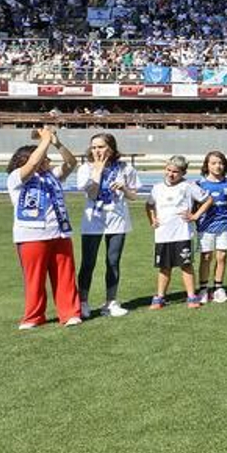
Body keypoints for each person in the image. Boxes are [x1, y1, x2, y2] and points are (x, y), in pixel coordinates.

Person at [7, 125, 81, 329]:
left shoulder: (52, 175)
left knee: (65, 276)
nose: (48, 160)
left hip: (59, 233)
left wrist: (56, 143)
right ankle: (33, 316)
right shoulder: (16, 178)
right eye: (45, 157)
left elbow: (71, 162)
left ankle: (70, 313)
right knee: (35, 279)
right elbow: (32, 164)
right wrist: (44, 140)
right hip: (31, 236)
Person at [76, 132, 138, 319]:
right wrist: (99, 169)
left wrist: (124, 188)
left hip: (117, 220)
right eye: (94, 147)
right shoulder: (85, 168)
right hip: (93, 221)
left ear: (111, 148)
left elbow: (134, 195)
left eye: (101, 147)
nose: (97, 150)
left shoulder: (125, 168)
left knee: (112, 262)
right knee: (88, 262)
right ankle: (83, 302)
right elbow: (92, 194)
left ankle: (110, 302)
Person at [146, 154, 209, 310]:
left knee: (186, 265)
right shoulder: (157, 188)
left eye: (175, 172)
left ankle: (191, 296)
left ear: (183, 173)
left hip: (182, 234)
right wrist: (152, 219)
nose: (171, 174)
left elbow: (208, 200)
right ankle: (160, 297)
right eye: (168, 170)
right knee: (164, 267)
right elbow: (149, 205)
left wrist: (195, 216)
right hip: (162, 235)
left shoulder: (188, 186)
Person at [195, 151, 227, 303]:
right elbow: (195, 206)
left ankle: (218, 287)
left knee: (222, 256)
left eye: (220, 163)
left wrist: (225, 218)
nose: (217, 166)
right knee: (206, 257)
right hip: (205, 226)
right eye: (213, 163)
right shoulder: (200, 184)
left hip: (223, 225)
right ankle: (203, 289)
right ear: (207, 165)